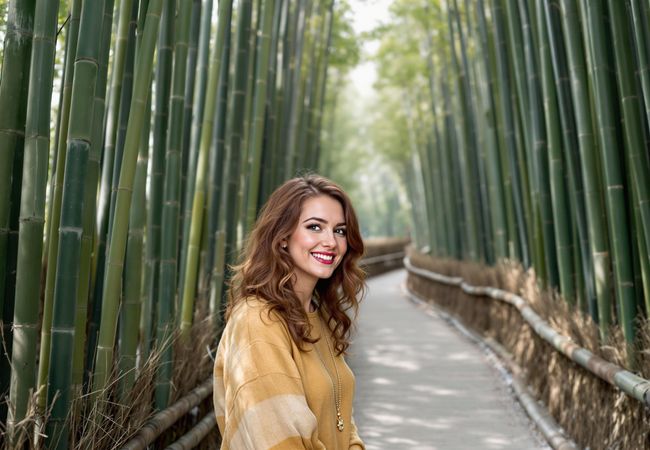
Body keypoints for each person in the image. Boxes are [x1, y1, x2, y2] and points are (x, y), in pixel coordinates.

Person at [213, 174, 366, 449]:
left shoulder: (320, 314)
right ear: (283, 237)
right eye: (315, 227)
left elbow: (342, 419)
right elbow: (279, 439)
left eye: (340, 231)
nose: (331, 242)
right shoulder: (257, 321)